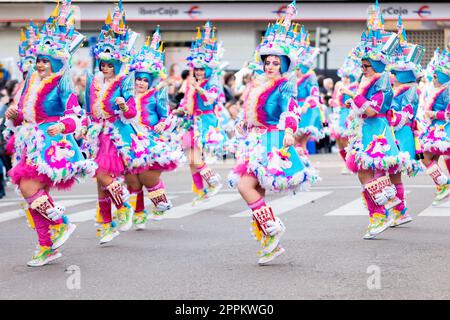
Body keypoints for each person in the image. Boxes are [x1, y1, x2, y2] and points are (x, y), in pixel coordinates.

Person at [5, 0, 96, 266]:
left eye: (45, 60)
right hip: (30, 141)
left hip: (52, 144)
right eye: (38, 60)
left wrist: (62, 126)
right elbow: (27, 115)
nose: (40, 64)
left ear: (56, 62)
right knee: (31, 193)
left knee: (28, 188)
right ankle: (47, 246)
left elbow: (75, 116)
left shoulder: (62, 85)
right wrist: (15, 116)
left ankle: (62, 223)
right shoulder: (30, 82)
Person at [229, 0, 318, 265]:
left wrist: (290, 131)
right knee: (255, 190)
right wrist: (243, 124)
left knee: (246, 187)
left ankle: (274, 228)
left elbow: (290, 111)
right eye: (267, 62)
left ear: (283, 64)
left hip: (270, 140)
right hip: (253, 140)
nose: (270, 66)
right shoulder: (256, 83)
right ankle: (270, 241)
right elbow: (250, 112)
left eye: (275, 62)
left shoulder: (284, 85)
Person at [343, 1, 409, 239]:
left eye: (368, 66)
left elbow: (373, 110)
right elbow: (364, 107)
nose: (364, 69)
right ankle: (385, 209)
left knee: (373, 172)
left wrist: (354, 96)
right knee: (364, 172)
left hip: (378, 131)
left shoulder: (383, 83)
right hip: (365, 132)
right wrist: (353, 102)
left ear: (379, 65)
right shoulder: (368, 81)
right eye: (362, 66)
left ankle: (381, 213)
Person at [82, 0, 140, 243]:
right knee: (99, 183)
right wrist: (85, 128)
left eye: (109, 64)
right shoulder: (92, 81)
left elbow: (132, 111)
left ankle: (124, 205)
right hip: (96, 134)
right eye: (103, 64)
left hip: (114, 135)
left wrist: (125, 106)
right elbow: (87, 108)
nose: (105, 67)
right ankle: (106, 224)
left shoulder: (124, 81)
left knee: (101, 175)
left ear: (117, 64)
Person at [123, 27, 185, 229]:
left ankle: (160, 201)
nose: (141, 83)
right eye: (138, 79)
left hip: (149, 140)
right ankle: (138, 215)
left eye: (144, 80)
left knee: (147, 176)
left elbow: (166, 117)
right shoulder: (127, 96)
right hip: (130, 141)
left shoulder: (156, 95)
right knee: (132, 180)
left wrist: (160, 125)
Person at [174, 22, 227, 205]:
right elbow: (186, 103)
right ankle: (201, 190)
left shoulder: (211, 82)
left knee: (195, 157)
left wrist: (200, 89)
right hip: (191, 121)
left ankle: (213, 180)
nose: (198, 71)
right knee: (191, 159)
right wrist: (178, 110)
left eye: (201, 69)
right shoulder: (191, 84)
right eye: (196, 68)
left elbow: (213, 98)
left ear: (208, 69)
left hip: (205, 120)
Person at [385, 16, 425, 226]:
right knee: (390, 173)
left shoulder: (409, 91)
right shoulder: (402, 89)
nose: (392, 76)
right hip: (396, 133)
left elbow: (404, 115)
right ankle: (399, 210)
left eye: (396, 73)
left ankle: (397, 210)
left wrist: (387, 114)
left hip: (400, 134)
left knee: (390, 172)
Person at [420, 44, 450, 205]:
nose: (434, 79)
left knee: (424, 156)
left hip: (443, 129)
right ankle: (442, 186)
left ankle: (444, 185)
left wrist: (433, 114)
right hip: (435, 128)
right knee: (431, 158)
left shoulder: (447, 91)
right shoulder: (440, 90)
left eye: (436, 77)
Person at [329, 47, 361, 174]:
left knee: (346, 139)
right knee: (339, 141)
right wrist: (332, 102)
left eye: (348, 76)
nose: (346, 78)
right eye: (344, 76)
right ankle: (346, 163)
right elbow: (334, 98)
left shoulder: (355, 86)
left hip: (348, 115)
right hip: (338, 114)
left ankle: (350, 163)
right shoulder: (338, 85)